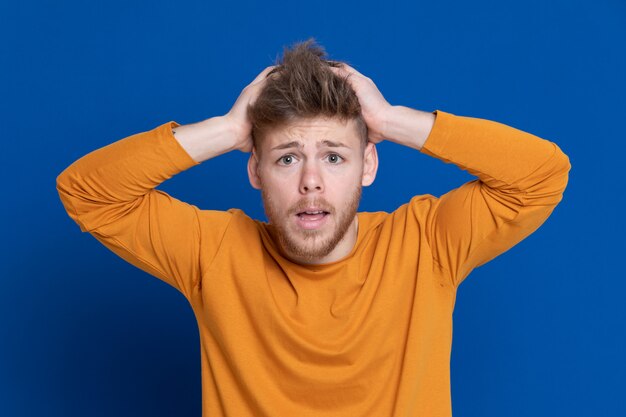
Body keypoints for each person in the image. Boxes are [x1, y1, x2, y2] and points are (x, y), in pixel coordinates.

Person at [56, 38, 571, 417]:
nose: (311, 182)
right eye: (286, 159)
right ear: (254, 170)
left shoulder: (426, 244)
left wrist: (390, 120)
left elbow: (540, 175)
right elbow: (85, 192)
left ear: (368, 166)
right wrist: (229, 129)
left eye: (333, 156)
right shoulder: (213, 253)